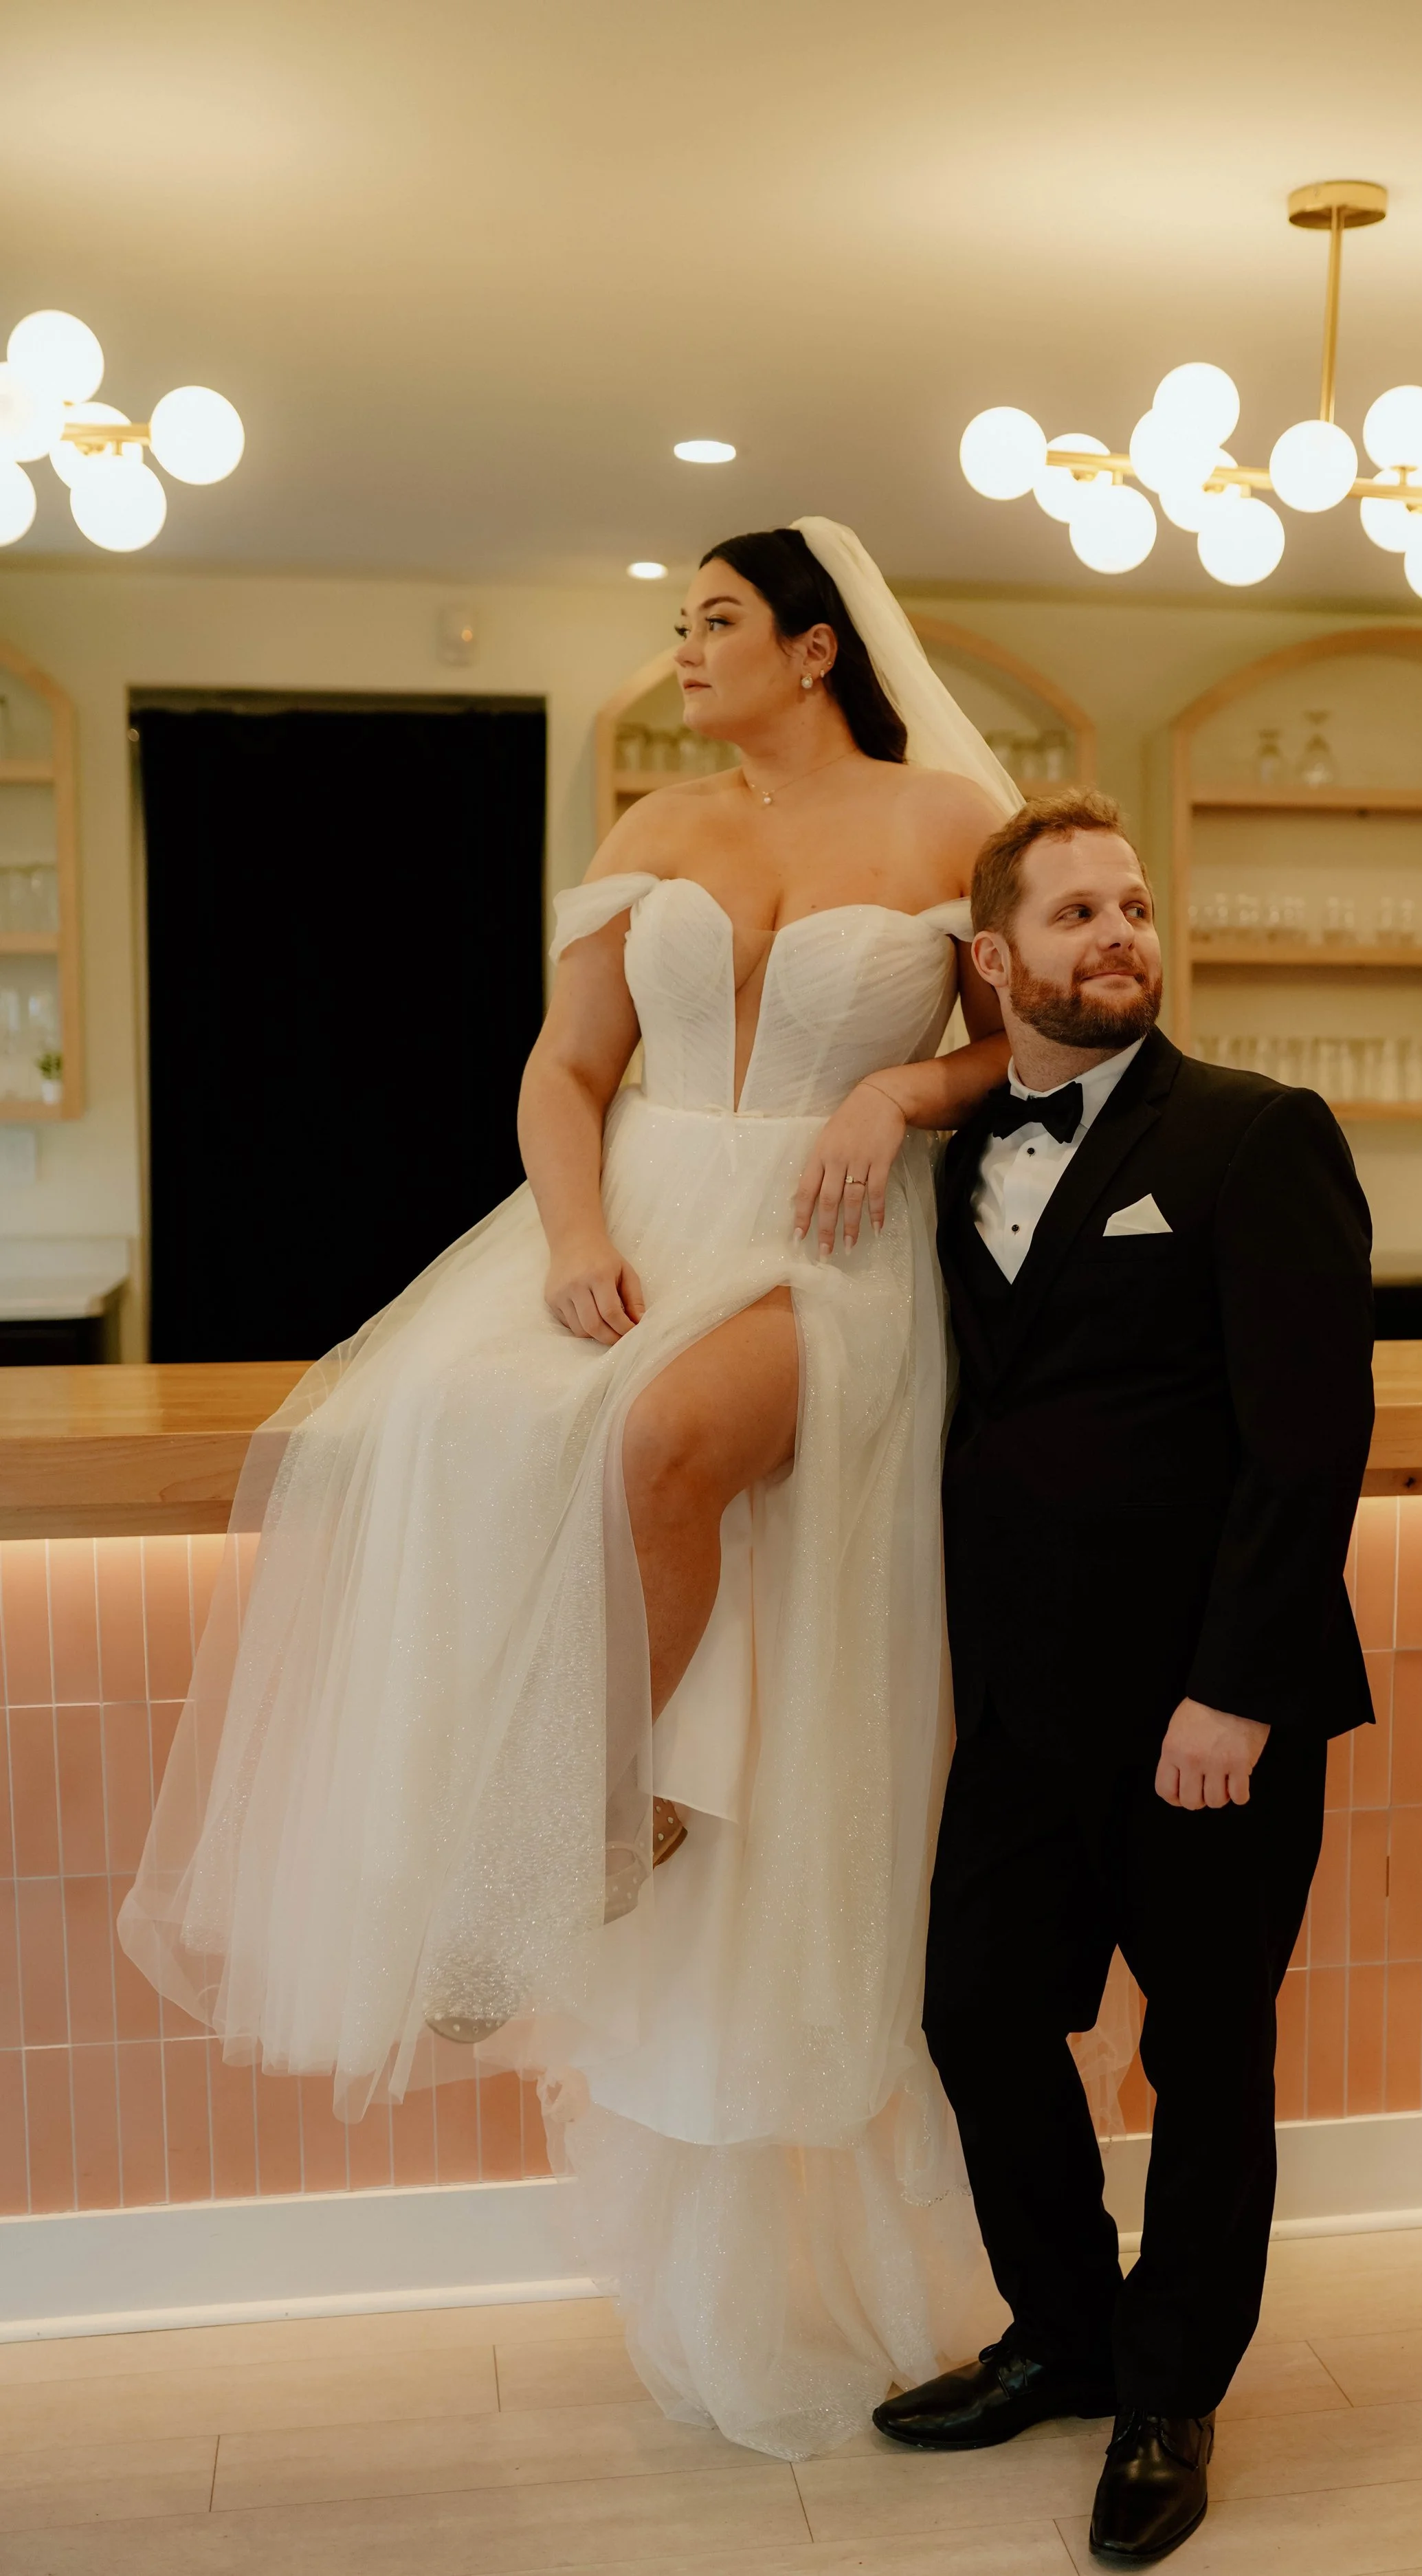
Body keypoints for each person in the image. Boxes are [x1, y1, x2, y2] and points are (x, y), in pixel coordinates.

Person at [118, 520, 1025, 2461]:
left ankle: (588, 1828)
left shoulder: (954, 817)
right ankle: (540, 1807)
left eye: (714, 620)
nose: (683, 648)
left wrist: (895, 1092)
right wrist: (571, 1233)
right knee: (403, 1439)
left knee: (655, 1438)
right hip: (645, 1217)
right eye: (677, 623)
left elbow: (1024, 1043)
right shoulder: (657, 831)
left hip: (832, 1249)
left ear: (812, 641)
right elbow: (563, 1062)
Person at [873, 790, 1375, 2566]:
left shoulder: (1251, 1135)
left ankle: (1171, 2389)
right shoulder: (942, 1161)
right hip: (1019, 1704)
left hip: (1207, 1712)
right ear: (991, 961)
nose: (1119, 938)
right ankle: (1065, 2334)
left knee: (1205, 2052)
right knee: (976, 2015)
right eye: (1075, 913)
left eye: (1135, 905)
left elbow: (1304, 1442)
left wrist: (1231, 1690)